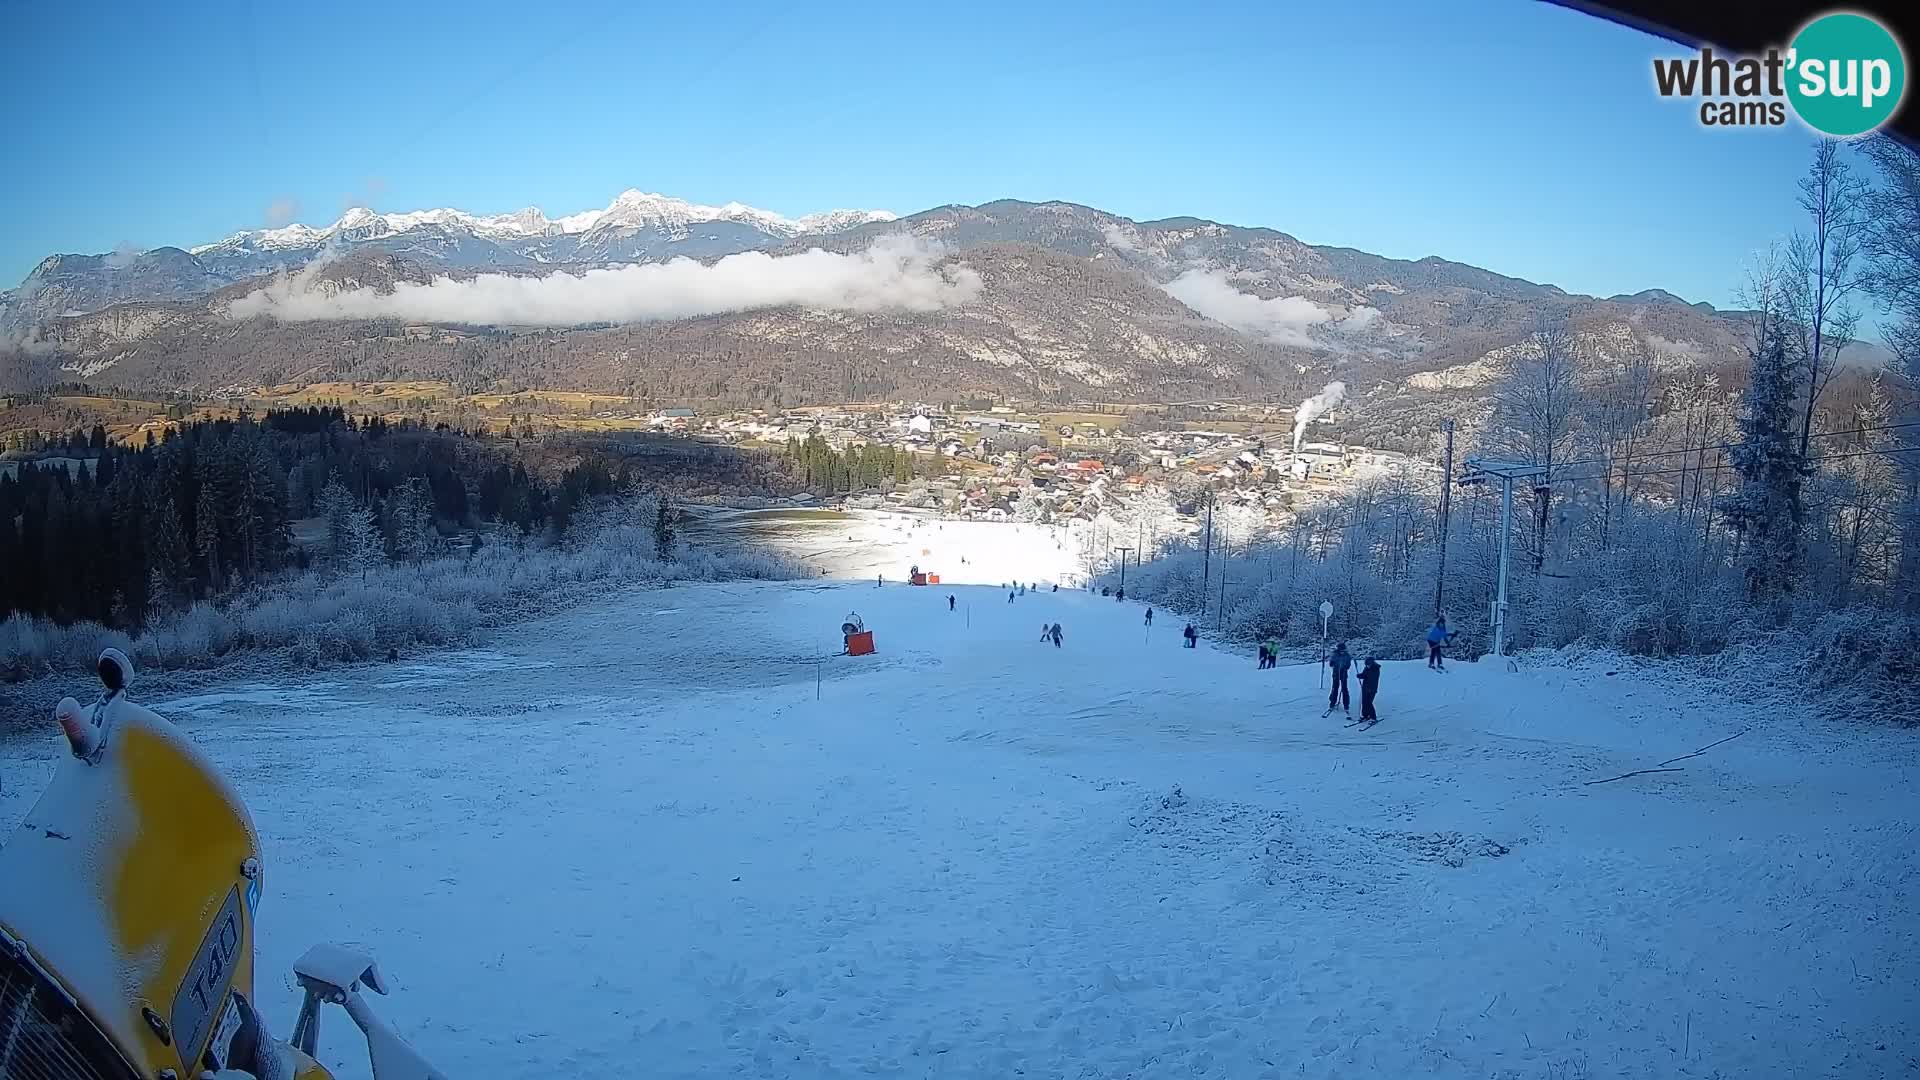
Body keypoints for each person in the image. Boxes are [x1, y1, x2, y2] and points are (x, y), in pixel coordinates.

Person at [1326, 642, 1353, 715]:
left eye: (1343, 650)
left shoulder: (1347, 656)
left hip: (1343, 674)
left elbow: (1348, 664)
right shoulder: (1335, 655)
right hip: (1336, 674)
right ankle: (1332, 703)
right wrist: (1333, 664)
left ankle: (1346, 704)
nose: (1342, 652)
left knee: (1344, 689)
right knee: (1335, 688)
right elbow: (1331, 664)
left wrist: (1345, 667)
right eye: (1341, 650)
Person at [1357, 656, 1382, 725]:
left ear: (1372, 663)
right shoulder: (1367, 668)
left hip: (1372, 689)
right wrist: (1360, 675)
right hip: (1365, 688)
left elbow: (1370, 677)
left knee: (1369, 703)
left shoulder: (1375, 669)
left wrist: (1363, 676)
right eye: (1366, 665)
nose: (1367, 666)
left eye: (1368, 664)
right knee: (1364, 702)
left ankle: (1373, 717)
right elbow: (1364, 675)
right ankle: (1365, 715)